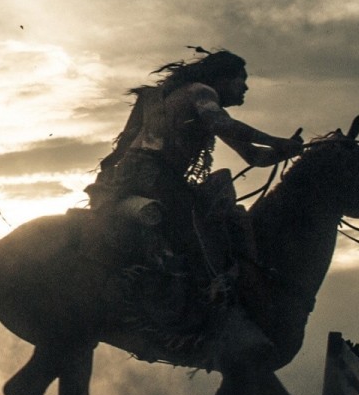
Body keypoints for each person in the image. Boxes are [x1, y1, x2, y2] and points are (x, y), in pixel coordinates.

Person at [86, 49, 302, 296]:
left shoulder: (167, 100)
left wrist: (287, 151)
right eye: (241, 80)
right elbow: (222, 125)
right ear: (222, 79)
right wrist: (277, 141)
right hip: (158, 179)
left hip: (127, 179)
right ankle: (209, 288)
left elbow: (254, 157)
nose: (245, 89)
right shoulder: (202, 92)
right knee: (210, 227)